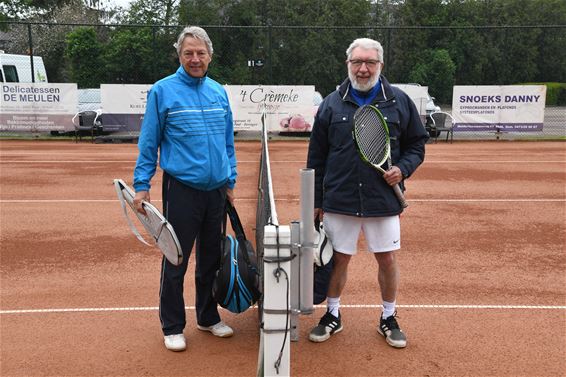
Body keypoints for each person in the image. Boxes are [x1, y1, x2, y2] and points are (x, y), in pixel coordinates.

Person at [306, 38, 428, 348]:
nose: (363, 69)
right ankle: (332, 314)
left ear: (380, 66)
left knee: (386, 259)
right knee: (339, 260)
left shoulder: (399, 101)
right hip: (339, 199)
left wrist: (403, 168)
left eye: (370, 63)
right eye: (357, 62)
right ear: (347, 65)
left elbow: (417, 144)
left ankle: (388, 317)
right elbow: (316, 158)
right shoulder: (331, 104)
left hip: (383, 200)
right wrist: (316, 203)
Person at [132, 26, 237, 352]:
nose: (195, 59)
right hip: (182, 190)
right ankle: (173, 325)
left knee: (210, 258)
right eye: (188, 53)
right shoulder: (162, 91)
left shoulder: (219, 92)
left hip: (217, 189)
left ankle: (207, 316)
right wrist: (141, 185)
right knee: (175, 258)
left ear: (209, 56)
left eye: (200, 53)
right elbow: (149, 142)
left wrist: (230, 180)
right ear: (180, 55)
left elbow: (227, 142)